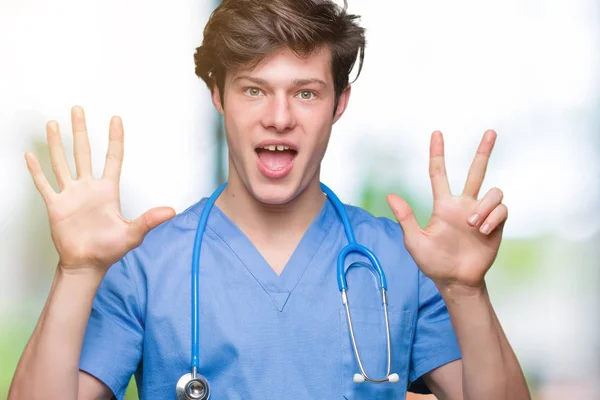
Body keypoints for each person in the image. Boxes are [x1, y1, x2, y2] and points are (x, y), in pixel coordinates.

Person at [9, 0, 531, 399]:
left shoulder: (402, 259)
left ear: (339, 103)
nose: (279, 117)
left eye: (305, 92)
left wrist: (466, 292)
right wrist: (75, 275)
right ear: (217, 95)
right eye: (254, 89)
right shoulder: (143, 265)